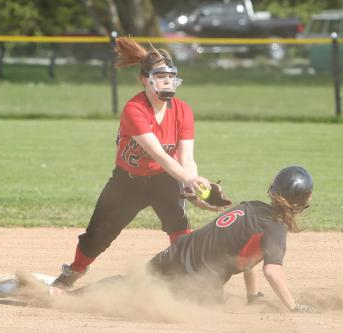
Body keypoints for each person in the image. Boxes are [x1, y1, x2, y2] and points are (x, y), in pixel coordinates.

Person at [52, 37, 228, 289]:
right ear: (145, 80)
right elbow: (158, 153)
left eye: (171, 76)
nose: (167, 82)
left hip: (163, 179)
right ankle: (74, 271)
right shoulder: (134, 109)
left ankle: (190, 283)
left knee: (179, 227)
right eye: (161, 76)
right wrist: (188, 179)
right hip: (127, 182)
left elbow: (186, 157)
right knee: (97, 237)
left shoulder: (182, 110)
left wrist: (192, 189)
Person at [61, 166, 315, 313]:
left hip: (177, 253)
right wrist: (293, 307)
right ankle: (90, 305)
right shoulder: (275, 228)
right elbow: (271, 270)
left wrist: (253, 296)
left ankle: (67, 296)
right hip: (196, 282)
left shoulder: (251, 207)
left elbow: (249, 258)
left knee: (133, 282)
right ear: (303, 202)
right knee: (169, 304)